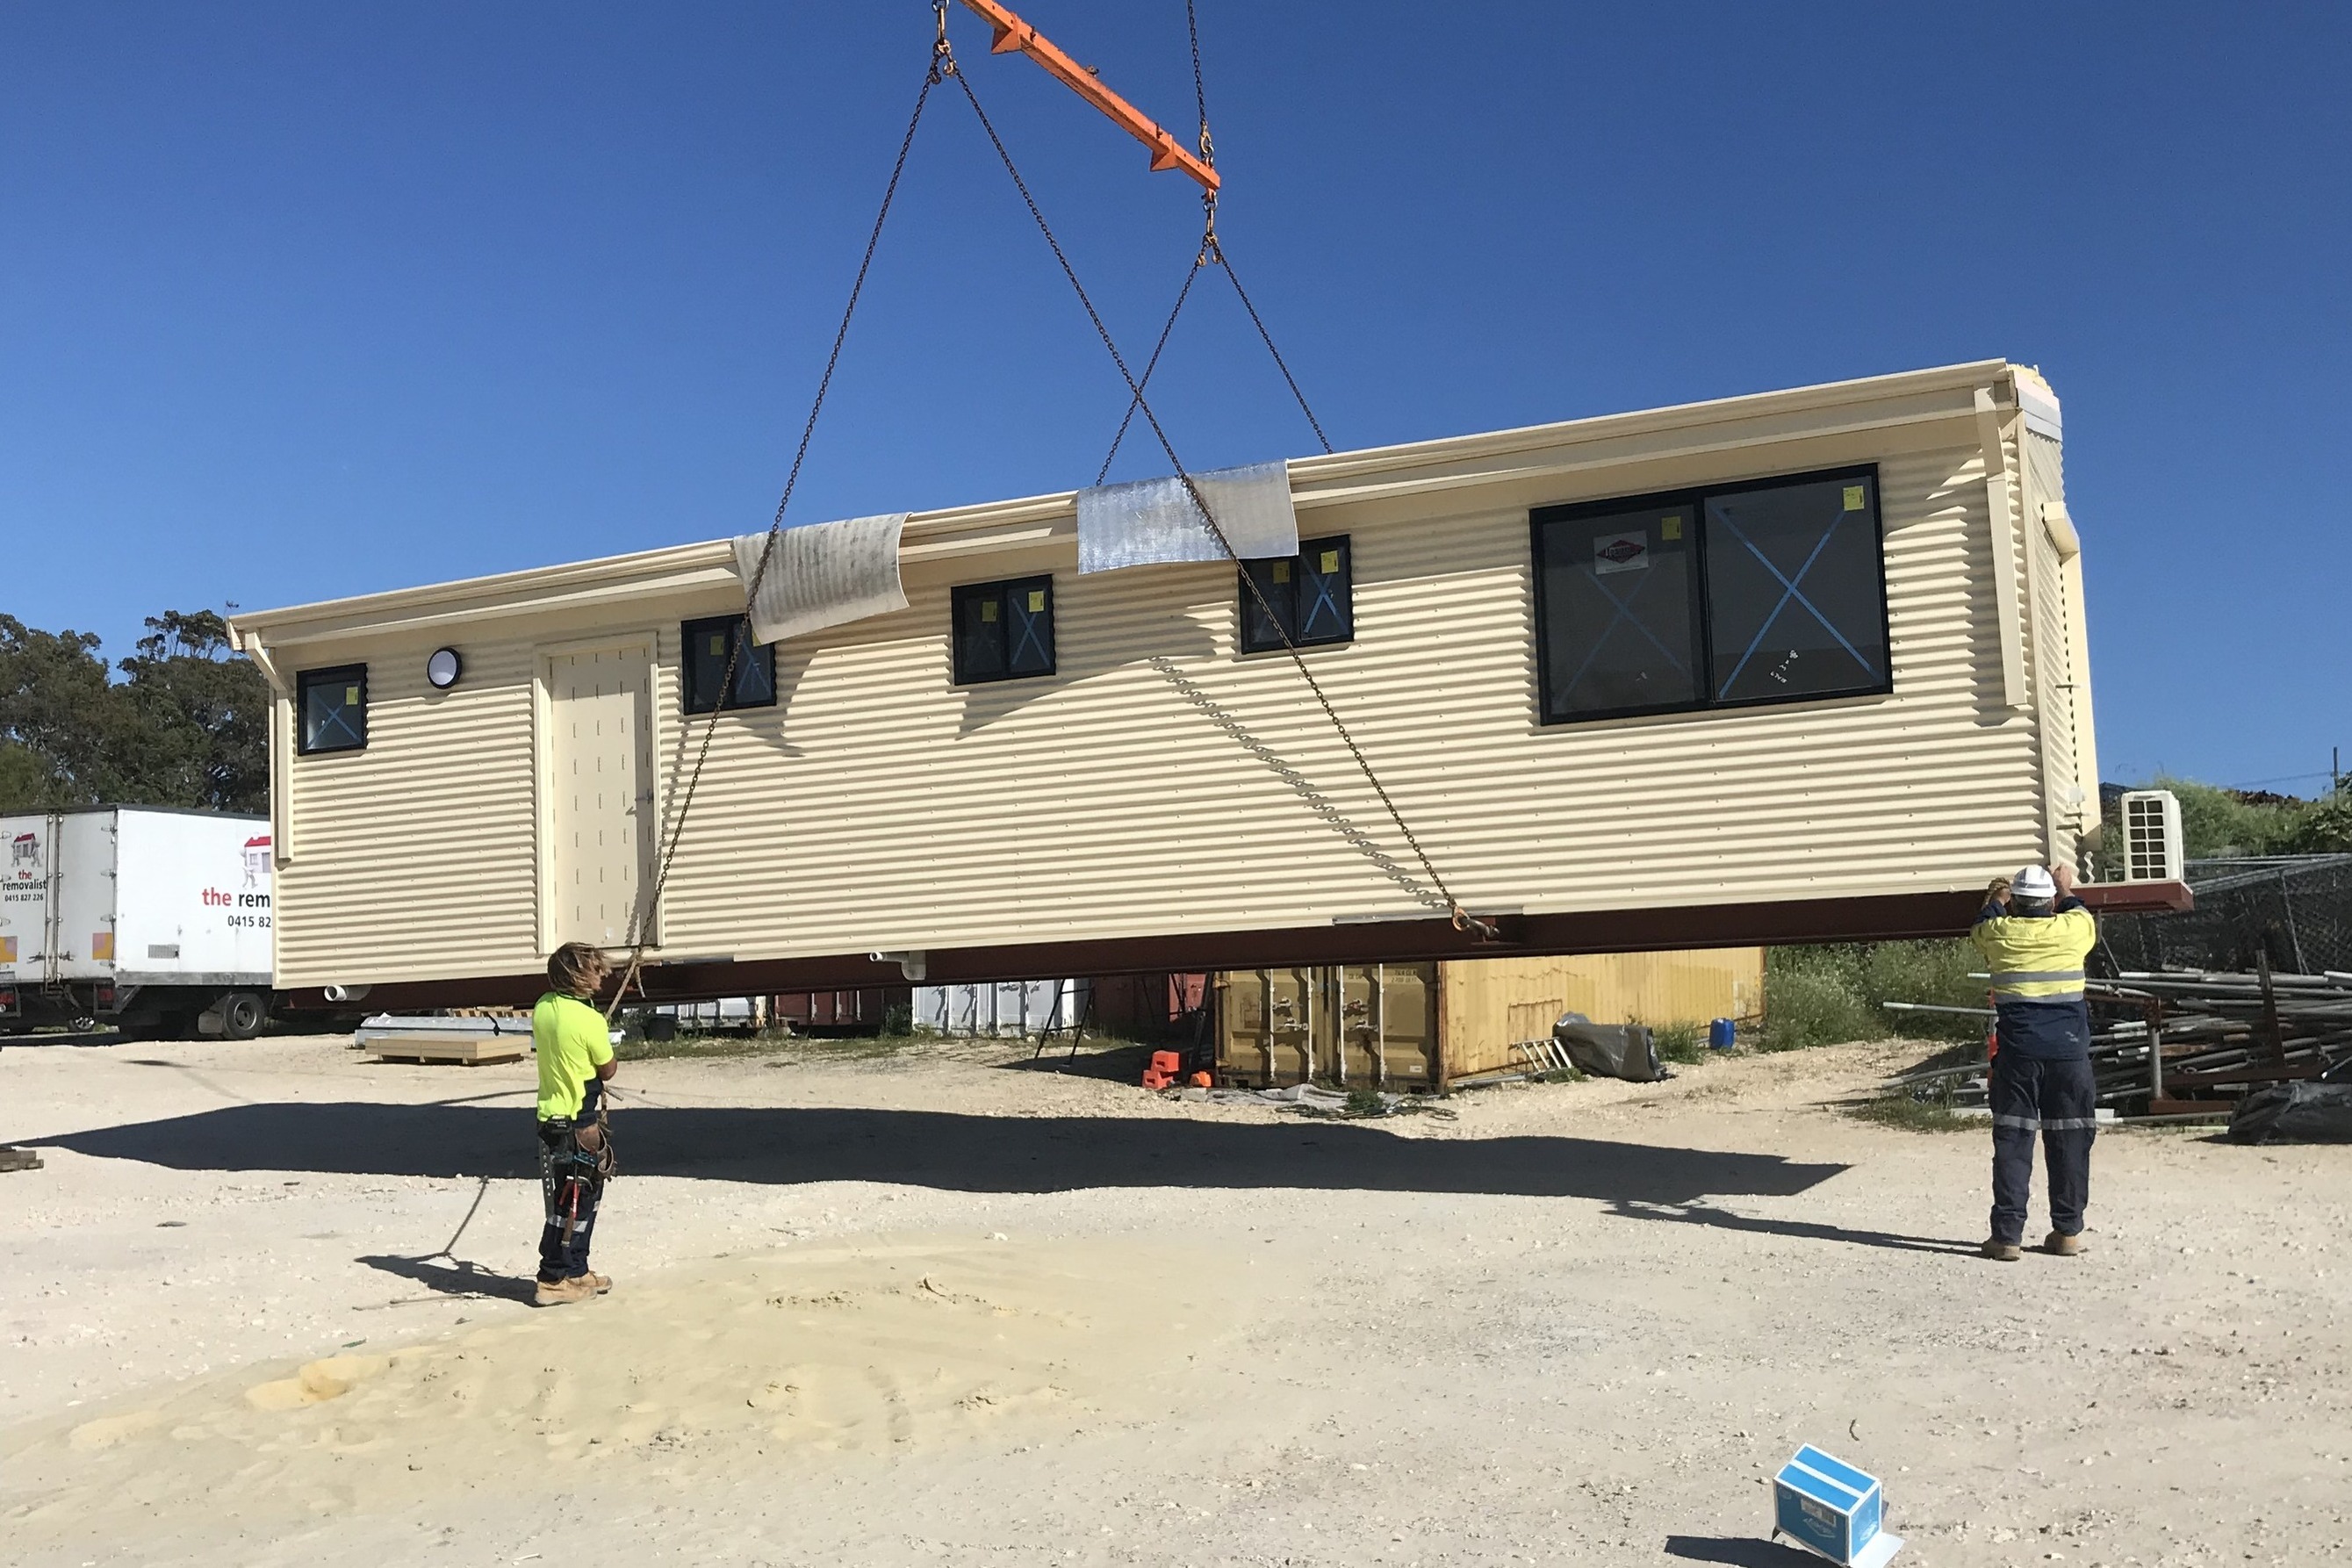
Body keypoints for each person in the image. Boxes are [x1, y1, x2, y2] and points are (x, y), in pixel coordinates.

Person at [1970, 863, 2099, 1262]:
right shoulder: (2074, 929)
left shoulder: (1998, 935)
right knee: (2070, 1142)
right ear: (2050, 902)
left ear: (2016, 905)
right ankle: (2067, 1233)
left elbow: (1983, 923)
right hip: (2069, 1056)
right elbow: (2078, 908)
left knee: (2013, 1141)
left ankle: (2007, 1237)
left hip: (2018, 1057)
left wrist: (1998, 899)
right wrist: (2064, 886)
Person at [533, 941, 618, 1306]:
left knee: (573, 1196)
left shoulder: (542, 1007)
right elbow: (608, 1069)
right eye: (596, 970)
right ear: (580, 975)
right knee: (577, 1200)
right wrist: (600, 1032)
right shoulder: (590, 1020)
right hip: (577, 1120)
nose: (601, 977)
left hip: (549, 1116)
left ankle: (577, 1269)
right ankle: (553, 1276)